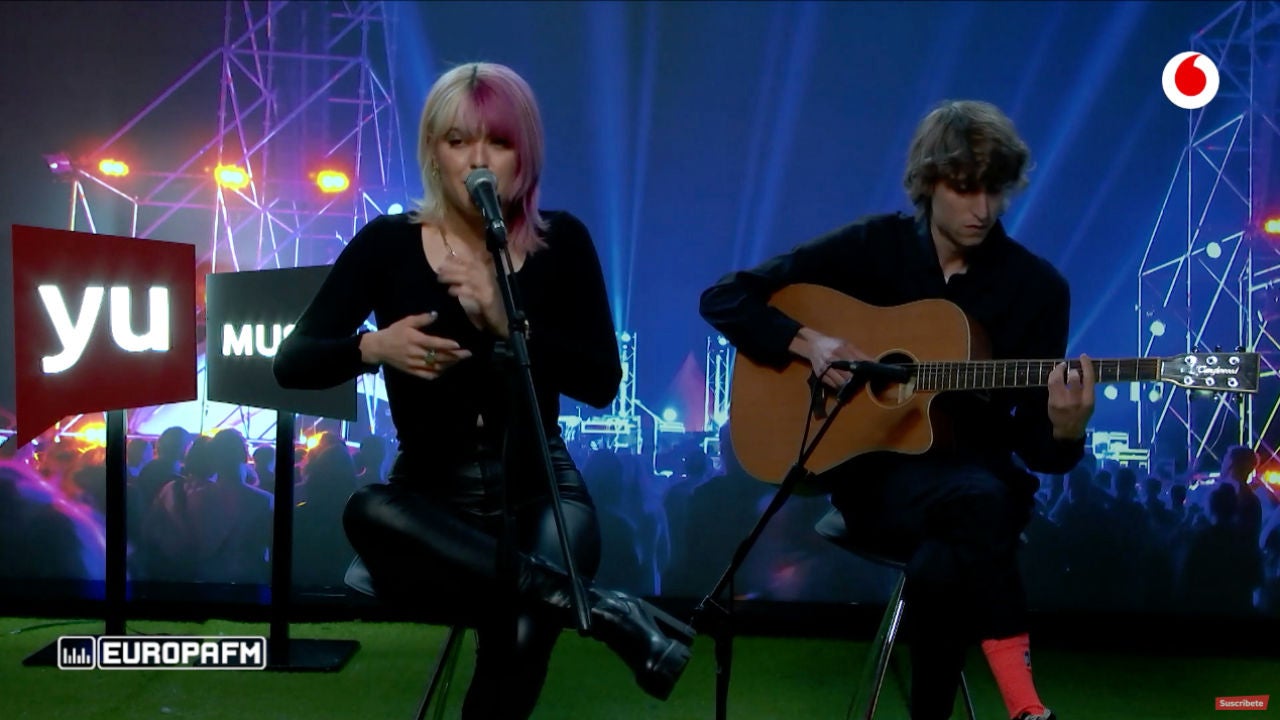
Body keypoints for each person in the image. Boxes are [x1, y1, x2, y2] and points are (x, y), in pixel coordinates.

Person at [273, 62, 690, 719]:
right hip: (428, 501)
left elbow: (601, 383)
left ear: (524, 156)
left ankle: (563, 599)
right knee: (366, 509)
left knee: (518, 636)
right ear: (433, 152)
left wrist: (507, 321)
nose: (477, 160)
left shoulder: (563, 242)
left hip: (541, 491)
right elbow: (291, 363)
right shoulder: (388, 244)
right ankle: (607, 611)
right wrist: (371, 348)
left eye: (497, 142)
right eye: (458, 140)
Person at [699, 100, 1095, 720]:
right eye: (963, 188)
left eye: (994, 190)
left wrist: (1067, 429)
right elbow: (725, 297)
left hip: (982, 488)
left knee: (948, 553)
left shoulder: (1038, 290)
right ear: (928, 181)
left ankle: (996, 709)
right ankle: (1024, 703)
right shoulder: (871, 248)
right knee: (978, 509)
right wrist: (809, 342)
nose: (982, 209)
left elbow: (1036, 447)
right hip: (876, 484)